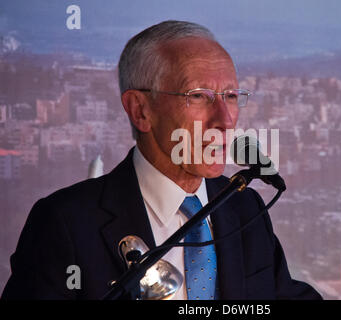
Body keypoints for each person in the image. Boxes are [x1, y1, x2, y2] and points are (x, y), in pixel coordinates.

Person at [1, 20, 322, 300]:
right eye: (198, 96)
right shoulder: (66, 225)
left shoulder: (244, 207)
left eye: (231, 96)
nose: (225, 120)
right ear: (141, 110)